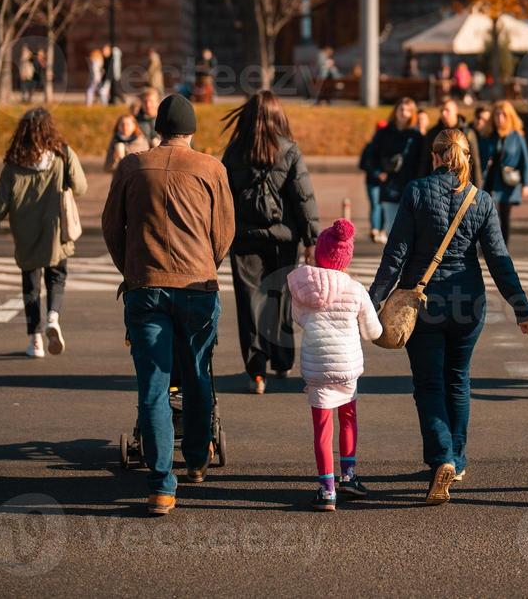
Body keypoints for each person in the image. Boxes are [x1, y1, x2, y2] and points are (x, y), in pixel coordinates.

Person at [368, 129, 528, 505]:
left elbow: (395, 255)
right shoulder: (481, 200)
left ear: (435, 156)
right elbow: (499, 261)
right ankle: (457, 461)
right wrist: (523, 310)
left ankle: (442, 455)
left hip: (423, 303)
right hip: (468, 303)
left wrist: (371, 302)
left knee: (429, 384)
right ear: (466, 158)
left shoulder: (416, 191)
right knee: (458, 381)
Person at [102, 94, 235, 515]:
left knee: (153, 384)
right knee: (197, 374)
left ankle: (161, 485)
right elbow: (224, 233)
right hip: (197, 286)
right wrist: (205, 263)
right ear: (192, 130)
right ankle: (196, 458)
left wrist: (132, 268)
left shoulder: (132, 167)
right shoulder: (212, 168)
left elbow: (111, 227)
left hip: (147, 286)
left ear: (158, 128)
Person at [221, 91, 321, 393]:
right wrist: (311, 240)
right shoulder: (289, 149)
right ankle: (281, 358)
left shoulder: (235, 150)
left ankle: (256, 371)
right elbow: (303, 197)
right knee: (279, 298)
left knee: (248, 301)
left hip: (245, 236)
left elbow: (224, 197)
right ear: (279, 116)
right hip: (283, 237)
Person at [287, 218, 382, 511]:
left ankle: (327, 489)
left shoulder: (303, 288)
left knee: (322, 428)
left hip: (316, 368)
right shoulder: (355, 290)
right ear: (346, 258)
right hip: (347, 367)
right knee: (348, 418)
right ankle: (349, 476)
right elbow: (373, 332)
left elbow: (297, 318)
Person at [0, 108, 88, 358]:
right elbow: (81, 187)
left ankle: (35, 340)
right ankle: (53, 316)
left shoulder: (13, 164)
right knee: (57, 276)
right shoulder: (62, 154)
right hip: (56, 231)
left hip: (24, 231)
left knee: (30, 285)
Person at [359, 99, 426, 242]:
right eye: (401, 109)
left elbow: (422, 162)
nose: (403, 113)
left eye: (408, 110)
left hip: (411, 186)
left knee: (410, 230)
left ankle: (407, 262)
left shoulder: (416, 136)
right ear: (395, 111)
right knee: (391, 229)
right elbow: (370, 157)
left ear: (413, 114)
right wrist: (378, 173)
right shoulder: (383, 133)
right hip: (390, 186)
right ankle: (394, 262)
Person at [480, 100, 528, 243]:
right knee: (489, 216)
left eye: (503, 115)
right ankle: (488, 246)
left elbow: (524, 160)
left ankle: (503, 249)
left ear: (510, 117)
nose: (500, 118)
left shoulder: (516, 136)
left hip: (508, 182)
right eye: (497, 115)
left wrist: (526, 184)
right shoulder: (488, 135)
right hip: (490, 180)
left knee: (505, 217)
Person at [418, 98, 482, 186]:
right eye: (442, 111)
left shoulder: (467, 133)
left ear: (456, 111)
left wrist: (477, 190)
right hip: (436, 184)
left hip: (462, 184)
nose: (444, 114)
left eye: (447, 110)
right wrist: (421, 184)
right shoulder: (433, 133)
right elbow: (425, 160)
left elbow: (475, 163)